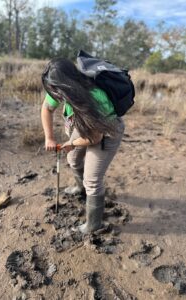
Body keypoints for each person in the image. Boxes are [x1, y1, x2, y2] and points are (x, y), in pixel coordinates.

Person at [41, 58, 125, 233]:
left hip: (107, 130)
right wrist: (49, 138)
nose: (54, 94)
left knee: (92, 179)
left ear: (67, 84)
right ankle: (80, 189)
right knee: (73, 158)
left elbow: (94, 138)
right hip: (85, 124)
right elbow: (47, 109)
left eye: (56, 89)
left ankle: (94, 225)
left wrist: (71, 143)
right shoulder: (59, 89)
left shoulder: (95, 96)